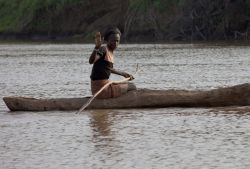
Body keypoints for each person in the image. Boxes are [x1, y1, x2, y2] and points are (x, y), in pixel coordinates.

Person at [89, 27, 136, 99]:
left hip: (105, 85)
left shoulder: (110, 51)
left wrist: (124, 74)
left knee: (126, 84)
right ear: (107, 40)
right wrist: (96, 48)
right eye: (113, 41)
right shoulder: (103, 49)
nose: (115, 43)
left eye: (117, 41)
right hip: (101, 89)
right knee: (132, 86)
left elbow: (109, 69)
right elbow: (91, 61)